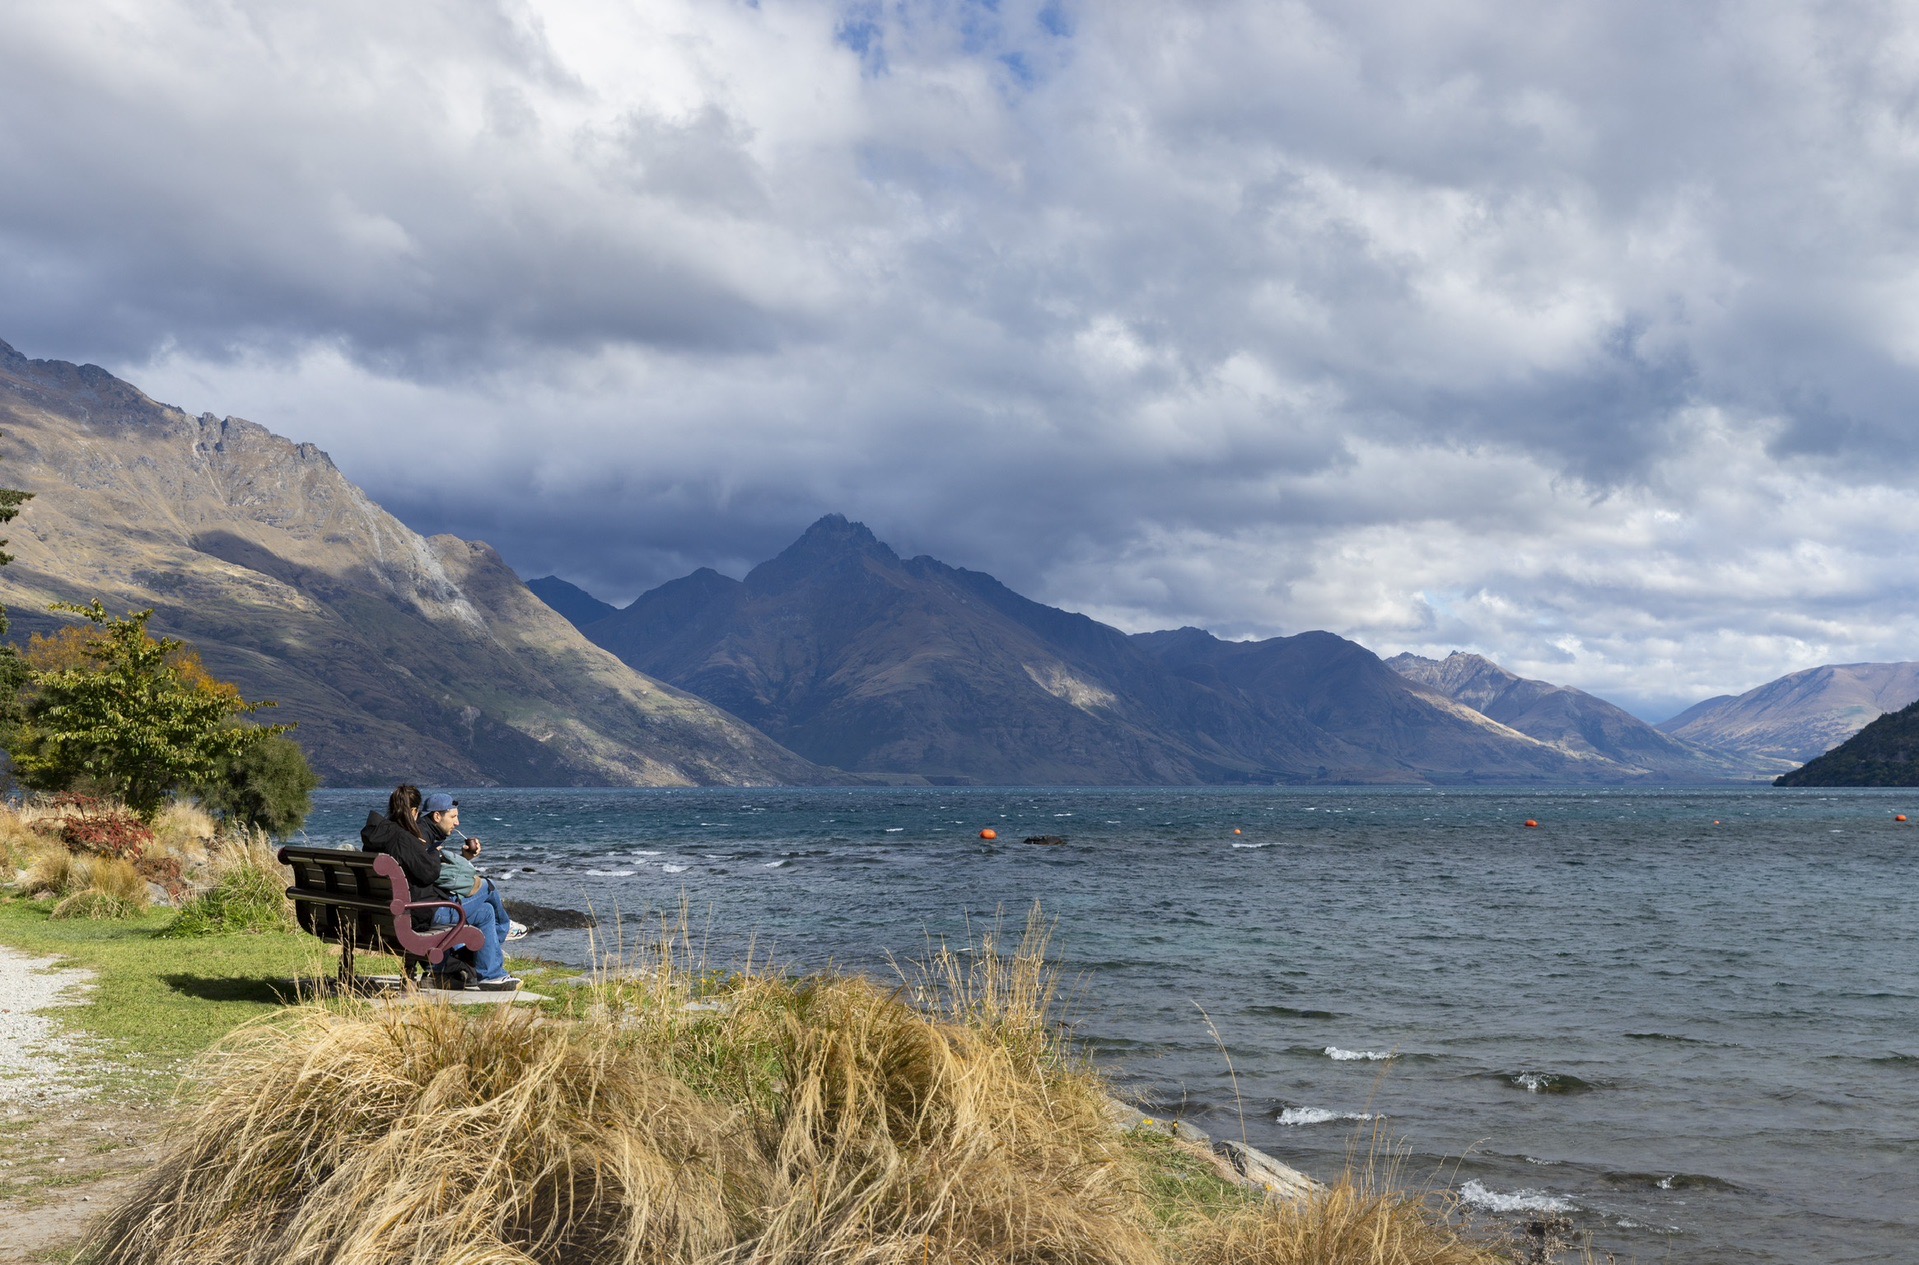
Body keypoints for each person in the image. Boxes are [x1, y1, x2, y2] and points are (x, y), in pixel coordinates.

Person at [417, 792, 522, 990]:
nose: (457, 823)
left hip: (418, 908)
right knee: (487, 886)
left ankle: (491, 975)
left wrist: (464, 858)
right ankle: (505, 927)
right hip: (431, 911)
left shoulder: (422, 835)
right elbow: (436, 875)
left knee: (486, 912)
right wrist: (464, 865)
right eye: (453, 817)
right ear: (437, 816)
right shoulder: (424, 841)